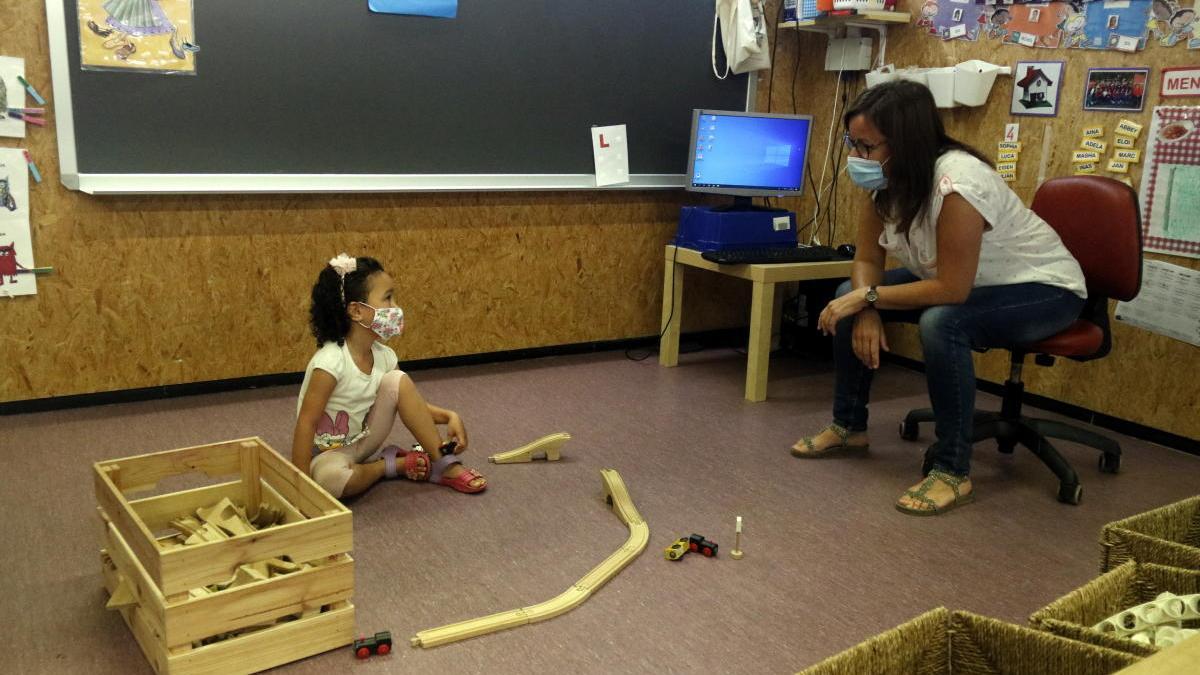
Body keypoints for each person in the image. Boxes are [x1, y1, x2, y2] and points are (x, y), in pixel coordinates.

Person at [790, 81, 1086, 516]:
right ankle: (849, 426)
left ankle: (952, 471)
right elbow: (868, 259)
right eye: (852, 143)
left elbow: (952, 290)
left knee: (943, 321)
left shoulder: (958, 184)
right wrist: (868, 304)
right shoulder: (885, 180)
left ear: (905, 142)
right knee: (845, 295)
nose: (857, 157)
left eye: (867, 146)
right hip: (967, 279)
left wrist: (870, 297)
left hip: (1043, 288)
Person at [293, 253, 487, 498]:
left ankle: (445, 464)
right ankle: (389, 466)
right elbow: (306, 422)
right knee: (331, 481)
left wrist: (449, 416)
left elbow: (410, 403)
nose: (396, 308)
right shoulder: (330, 362)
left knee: (398, 380)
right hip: (326, 455)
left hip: (362, 442)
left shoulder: (385, 356)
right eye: (387, 298)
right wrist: (299, 488)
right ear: (356, 311)